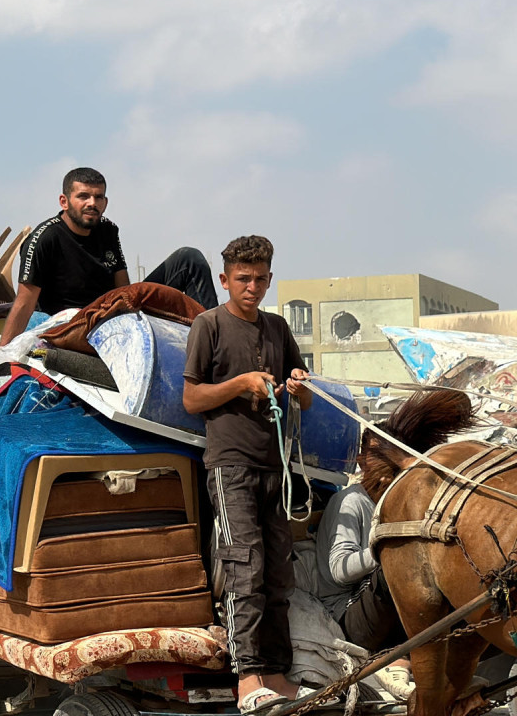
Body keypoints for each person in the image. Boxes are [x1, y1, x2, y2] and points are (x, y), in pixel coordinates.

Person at [182, 235, 312, 713]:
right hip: (230, 465)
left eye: (260, 278)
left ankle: (277, 674)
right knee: (244, 570)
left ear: (270, 279)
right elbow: (192, 400)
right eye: (243, 278)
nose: (252, 286)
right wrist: (239, 384)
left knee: (278, 575)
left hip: (274, 466)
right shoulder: (209, 325)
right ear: (225, 279)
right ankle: (247, 677)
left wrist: (298, 387)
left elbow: (307, 395)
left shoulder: (277, 328)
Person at [0, 168, 218, 345]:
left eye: (98, 197)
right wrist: (2, 353)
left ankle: (216, 339)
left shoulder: (108, 229)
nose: (92, 203)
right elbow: (24, 303)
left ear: (105, 202)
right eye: (83, 196)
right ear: (64, 202)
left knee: (189, 259)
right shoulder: (44, 239)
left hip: (115, 308)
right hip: (77, 322)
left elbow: (124, 286)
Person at [315, 480, 414, 700]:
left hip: (382, 615)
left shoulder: (399, 500)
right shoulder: (352, 501)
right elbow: (339, 570)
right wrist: (384, 549)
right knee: (396, 564)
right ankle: (394, 660)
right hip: (346, 614)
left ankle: (440, 662)